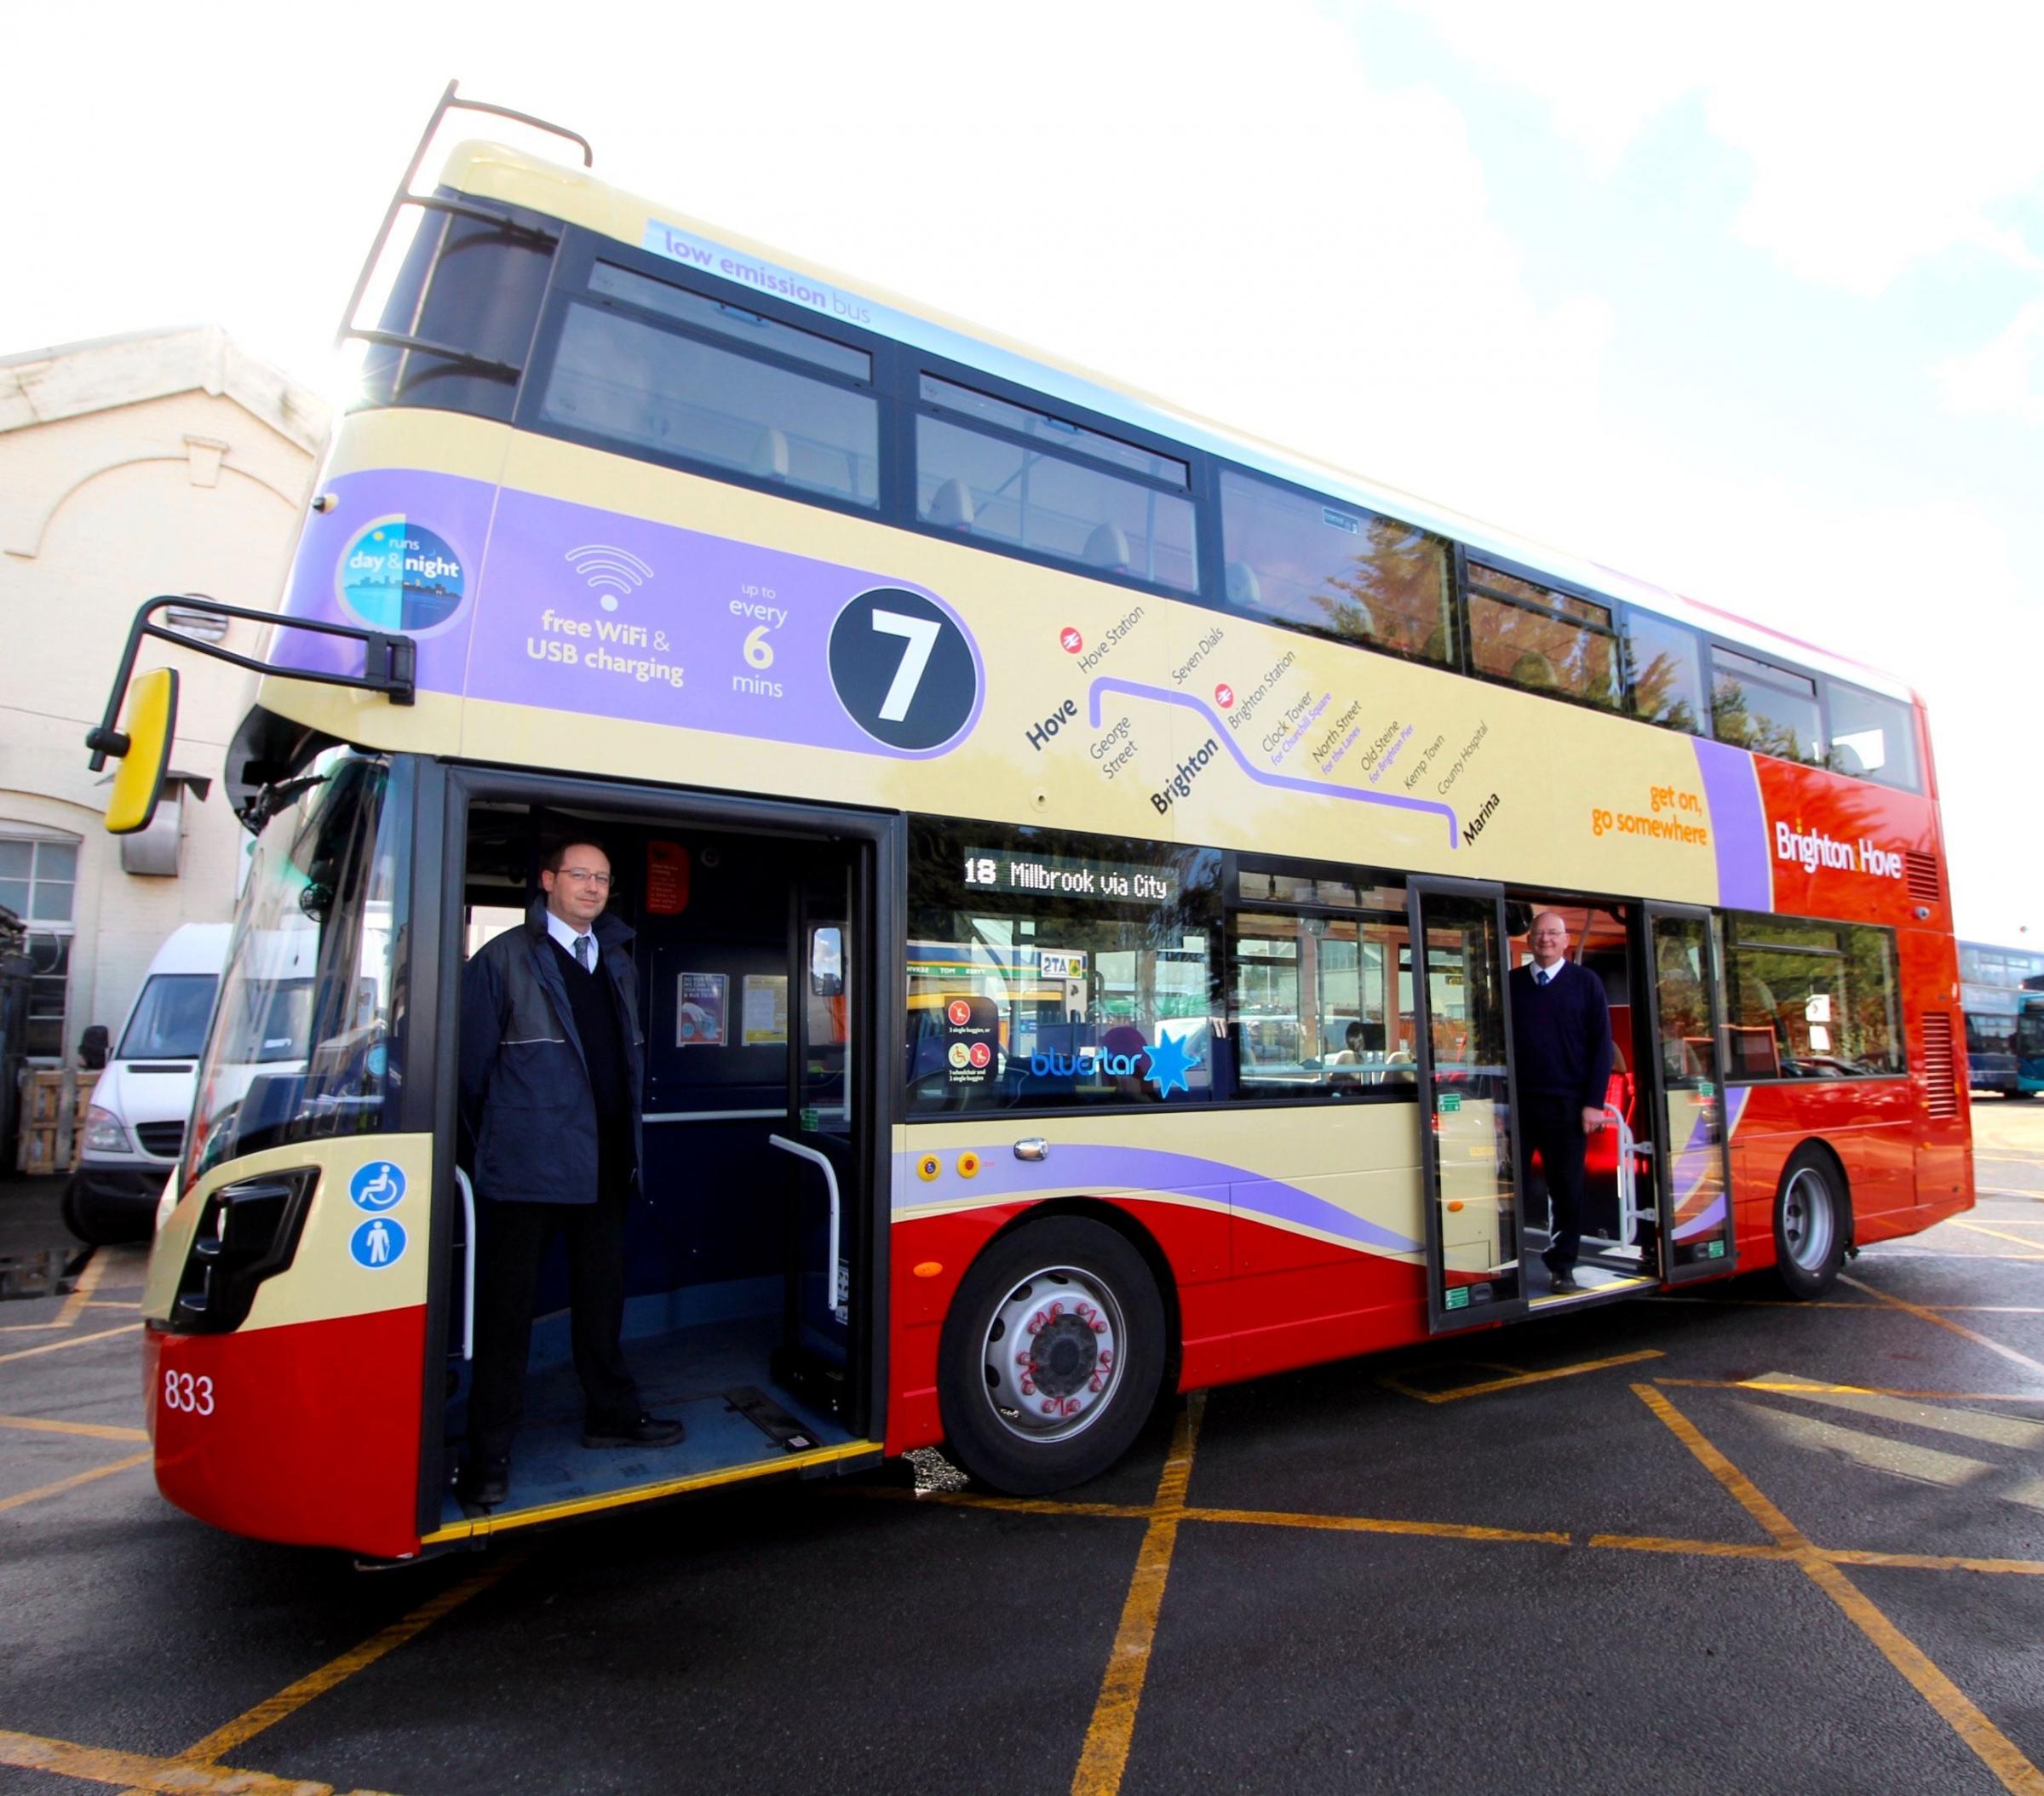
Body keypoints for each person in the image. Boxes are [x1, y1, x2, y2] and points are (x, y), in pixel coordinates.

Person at [456, 839, 682, 1507]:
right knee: (505, 1317)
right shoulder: (502, 960)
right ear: (548, 880)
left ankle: (610, 1415)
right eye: (579, 875)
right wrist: (486, 1159)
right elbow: (468, 1078)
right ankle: (487, 1453)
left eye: (603, 878)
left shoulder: (614, 959)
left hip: (604, 1165)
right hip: (525, 1173)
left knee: (601, 1301)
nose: (591, 887)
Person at [1508, 910, 1613, 1294]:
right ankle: (1507, 1264)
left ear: (1566, 940)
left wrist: (1593, 1103)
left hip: (1568, 1107)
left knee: (1566, 1190)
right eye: (1540, 934)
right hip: (1518, 1106)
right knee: (1507, 1188)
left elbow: (1601, 1048)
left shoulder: (1586, 984)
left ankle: (1562, 1266)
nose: (1546, 940)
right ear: (1530, 940)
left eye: (1554, 933)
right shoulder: (1512, 984)